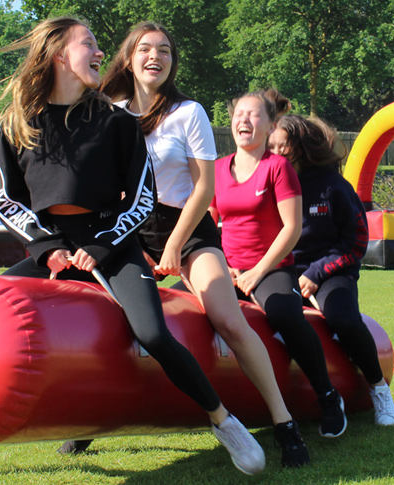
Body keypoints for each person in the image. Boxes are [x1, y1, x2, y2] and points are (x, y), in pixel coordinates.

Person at [0, 17, 266, 475]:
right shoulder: (19, 123)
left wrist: (100, 245)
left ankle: (223, 420)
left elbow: (140, 201)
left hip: (112, 247)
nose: (101, 53)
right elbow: (9, 202)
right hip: (52, 249)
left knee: (153, 334)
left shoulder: (118, 121)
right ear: (59, 54)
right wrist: (46, 247)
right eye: (89, 45)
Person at [61, 23, 309, 468]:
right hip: (125, 231)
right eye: (145, 49)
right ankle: (87, 424)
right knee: (104, 320)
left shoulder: (188, 111)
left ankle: (284, 423)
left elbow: (203, 187)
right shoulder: (106, 108)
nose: (156, 57)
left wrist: (175, 246)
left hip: (187, 229)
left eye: (165, 51)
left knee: (228, 319)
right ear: (129, 57)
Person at [210, 89, 347, 440]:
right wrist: (222, 267)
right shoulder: (216, 170)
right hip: (228, 270)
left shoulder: (278, 167)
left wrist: (258, 271)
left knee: (285, 315)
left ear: (271, 126)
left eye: (255, 115)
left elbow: (292, 227)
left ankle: (328, 397)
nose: (244, 120)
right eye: (239, 113)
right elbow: (209, 225)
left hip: (272, 268)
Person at [268, 114, 394, 426]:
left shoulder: (333, 187)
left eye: (281, 146)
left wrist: (314, 274)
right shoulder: (267, 182)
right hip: (282, 270)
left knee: (344, 319)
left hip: (331, 270)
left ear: (301, 147)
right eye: (270, 146)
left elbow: (356, 242)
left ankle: (378, 388)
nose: (274, 153)